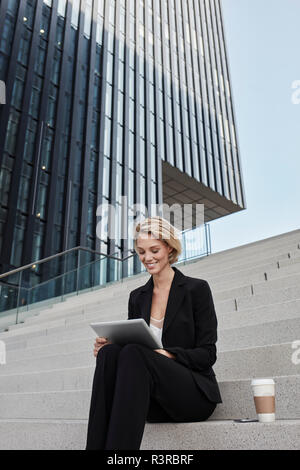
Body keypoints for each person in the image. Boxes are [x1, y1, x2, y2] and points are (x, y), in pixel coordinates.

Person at [85, 216, 222, 450]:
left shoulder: (196, 289)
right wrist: (107, 346)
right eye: (141, 252)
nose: (147, 258)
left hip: (192, 395)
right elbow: (128, 347)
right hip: (150, 399)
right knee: (111, 354)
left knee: (135, 353)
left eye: (154, 250)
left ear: (169, 248)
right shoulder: (137, 297)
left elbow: (208, 354)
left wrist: (168, 355)